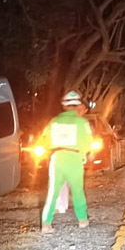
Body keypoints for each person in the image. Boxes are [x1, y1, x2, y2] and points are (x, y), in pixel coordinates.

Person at [40, 90, 93, 234]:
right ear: (77, 106)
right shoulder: (82, 122)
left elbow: (45, 140)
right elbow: (88, 142)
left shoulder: (54, 121)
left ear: (63, 106)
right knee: (78, 191)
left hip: (57, 160)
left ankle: (46, 224)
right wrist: (82, 154)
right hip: (74, 160)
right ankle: (82, 220)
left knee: (53, 192)